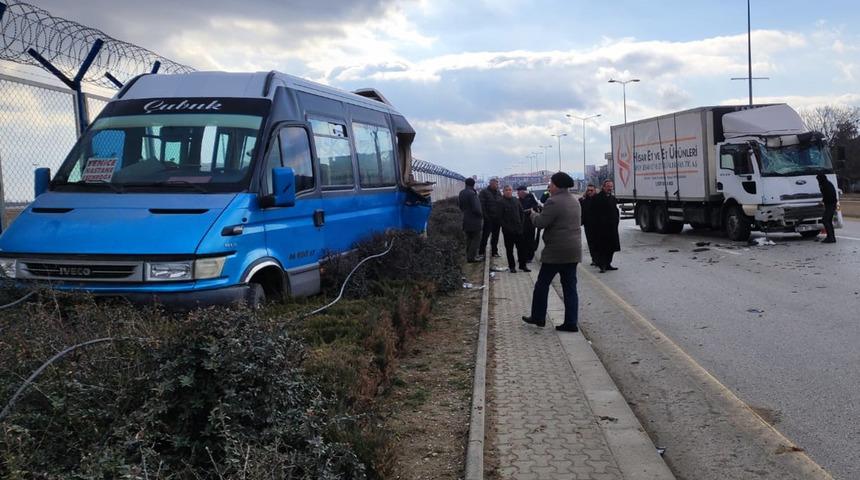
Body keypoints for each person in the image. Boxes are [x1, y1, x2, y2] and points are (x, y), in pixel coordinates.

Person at [521, 172, 581, 332]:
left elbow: (541, 223)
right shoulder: (574, 200)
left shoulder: (553, 201)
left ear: (557, 185)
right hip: (573, 251)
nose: (549, 187)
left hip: (556, 252)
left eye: (551, 184)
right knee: (570, 288)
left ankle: (538, 317)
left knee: (542, 284)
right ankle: (571, 322)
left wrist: (533, 214)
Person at [590, 179, 620, 272]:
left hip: (612, 227)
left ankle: (608, 264)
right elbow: (593, 213)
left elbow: (615, 211)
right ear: (603, 187)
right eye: (608, 186)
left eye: (611, 186)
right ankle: (602, 265)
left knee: (611, 247)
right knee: (602, 247)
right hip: (601, 228)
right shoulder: (597, 198)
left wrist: (616, 221)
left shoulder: (612, 198)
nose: (610, 188)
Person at [499, 185, 526, 272]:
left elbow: (521, 213)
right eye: (506, 190)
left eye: (510, 190)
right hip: (508, 231)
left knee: (521, 248)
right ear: (503, 192)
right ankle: (512, 267)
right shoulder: (500, 202)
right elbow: (499, 218)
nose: (508, 191)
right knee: (509, 250)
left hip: (518, 229)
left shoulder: (516, 200)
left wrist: (521, 224)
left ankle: (523, 265)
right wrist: (506, 227)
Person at [458, 177, 484, 262]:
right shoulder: (472, 194)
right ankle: (472, 257)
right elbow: (477, 208)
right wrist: (481, 215)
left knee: (469, 238)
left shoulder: (461, 193)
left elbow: (460, 206)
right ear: (473, 184)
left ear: (465, 184)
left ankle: (469, 256)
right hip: (474, 220)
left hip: (465, 219)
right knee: (476, 239)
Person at [479, 178, 502, 257]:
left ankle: (494, 252)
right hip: (488, 219)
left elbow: (501, 203)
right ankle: (481, 252)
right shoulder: (484, 192)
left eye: (497, 184)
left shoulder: (498, 192)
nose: (497, 185)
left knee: (495, 237)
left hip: (497, 219)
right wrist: (486, 217)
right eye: (495, 184)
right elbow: (482, 205)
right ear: (491, 184)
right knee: (485, 236)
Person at [516, 185, 539, 264]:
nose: (517, 194)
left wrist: (526, 211)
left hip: (530, 223)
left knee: (530, 240)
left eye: (519, 192)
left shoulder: (530, 197)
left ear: (523, 192)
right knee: (522, 241)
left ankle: (529, 257)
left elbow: (535, 207)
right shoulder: (518, 200)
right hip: (521, 224)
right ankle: (523, 257)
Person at [579, 184, 597, 266]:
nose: (590, 192)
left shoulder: (598, 199)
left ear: (595, 191)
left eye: (591, 190)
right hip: (588, 225)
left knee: (598, 242)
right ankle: (594, 259)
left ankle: (599, 258)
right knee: (591, 242)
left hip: (597, 225)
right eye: (588, 190)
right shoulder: (583, 200)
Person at [818, 173, 837, 243]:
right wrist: (823, 201)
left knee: (825, 220)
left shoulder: (825, 185)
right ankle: (831, 237)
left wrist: (823, 201)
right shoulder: (827, 184)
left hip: (830, 204)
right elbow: (827, 195)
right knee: (828, 221)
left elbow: (828, 195)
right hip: (831, 204)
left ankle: (830, 237)